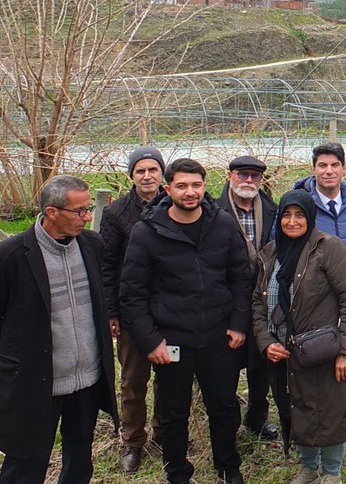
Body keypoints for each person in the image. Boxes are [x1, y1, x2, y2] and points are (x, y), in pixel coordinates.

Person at [0, 175, 117, 484]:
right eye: (79, 211)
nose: (88, 217)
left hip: (87, 381)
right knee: (25, 466)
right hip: (37, 386)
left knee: (79, 462)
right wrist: (14, 362)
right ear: (52, 212)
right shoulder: (7, 258)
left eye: (88, 208)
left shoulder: (92, 245)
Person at [120, 158, 251, 484]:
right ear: (168, 189)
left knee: (223, 407)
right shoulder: (147, 232)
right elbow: (132, 295)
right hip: (172, 341)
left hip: (218, 337)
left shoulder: (221, 224)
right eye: (181, 185)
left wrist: (238, 322)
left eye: (196, 185)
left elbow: (240, 279)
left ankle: (228, 466)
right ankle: (177, 471)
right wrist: (151, 341)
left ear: (204, 186)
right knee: (174, 412)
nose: (190, 192)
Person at [251, 190, 346, 484]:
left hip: (321, 350)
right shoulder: (270, 253)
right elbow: (258, 305)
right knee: (296, 409)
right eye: (286, 214)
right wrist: (265, 342)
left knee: (330, 410)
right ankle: (309, 467)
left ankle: (332, 472)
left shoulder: (328, 248)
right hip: (283, 353)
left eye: (299, 215)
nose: (292, 221)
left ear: (310, 217)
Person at [100, 147, 164, 473]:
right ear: (132, 176)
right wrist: (111, 312)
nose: (147, 176)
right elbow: (107, 266)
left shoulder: (177, 203)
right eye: (140, 171)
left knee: (170, 373)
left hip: (169, 311)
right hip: (131, 311)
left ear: (162, 173)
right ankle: (133, 440)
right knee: (133, 379)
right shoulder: (116, 214)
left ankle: (164, 431)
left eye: (153, 169)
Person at [218, 155, 279, 442]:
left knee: (260, 364)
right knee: (226, 366)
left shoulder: (271, 209)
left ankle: (257, 418)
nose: (249, 181)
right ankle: (226, 422)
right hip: (226, 300)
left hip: (262, 299)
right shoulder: (215, 210)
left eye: (255, 176)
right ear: (230, 176)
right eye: (243, 175)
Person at [293, 142, 346, 285]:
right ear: (313, 169)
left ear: (343, 169)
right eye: (322, 165)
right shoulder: (298, 206)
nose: (329, 171)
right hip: (312, 294)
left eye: (335, 165)